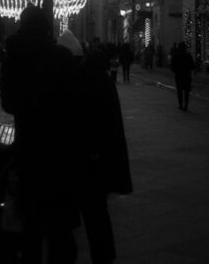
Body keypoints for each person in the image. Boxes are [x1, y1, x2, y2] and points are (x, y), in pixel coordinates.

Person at [0, 7, 81, 264]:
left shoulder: (12, 58)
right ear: (48, 27)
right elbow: (75, 103)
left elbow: (8, 104)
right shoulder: (62, 57)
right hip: (59, 150)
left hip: (29, 148)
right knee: (60, 228)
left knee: (30, 225)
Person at [61, 34, 133, 264]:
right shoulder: (97, 76)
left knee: (83, 214)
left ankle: (88, 254)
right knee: (96, 214)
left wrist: (91, 150)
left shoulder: (84, 79)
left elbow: (88, 120)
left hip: (89, 160)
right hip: (99, 159)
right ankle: (104, 256)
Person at [171, 42, 196, 111]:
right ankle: (186, 105)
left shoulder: (176, 56)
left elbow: (172, 67)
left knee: (179, 91)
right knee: (186, 91)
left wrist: (176, 70)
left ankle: (180, 104)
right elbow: (192, 65)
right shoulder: (188, 55)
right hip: (186, 75)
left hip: (179, 75)